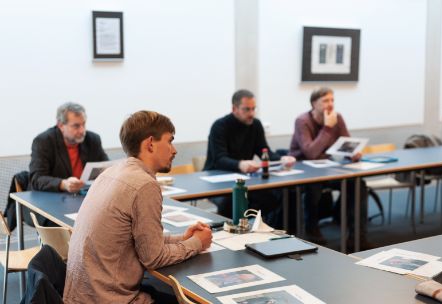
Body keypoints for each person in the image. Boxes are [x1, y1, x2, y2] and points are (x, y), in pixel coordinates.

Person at [64, 111, 213, 303]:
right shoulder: (144, 185)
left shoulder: (111, 172)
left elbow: (139, 241)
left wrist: (182, 238)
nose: (174, 150)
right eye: (169, 141)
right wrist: (197, 243)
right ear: (150, 143)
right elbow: (154, 258)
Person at [289, 87, 370, 249]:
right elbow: (311, 152)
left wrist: (353, 153)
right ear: (314, 103)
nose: (330, 104)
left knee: (358, 184)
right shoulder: (302, 121)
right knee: (313, 187)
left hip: (329, 167)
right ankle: (311, 231)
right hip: (305, 170)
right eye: (325, 100)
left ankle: (356, 237)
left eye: (332, 100)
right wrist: (327, 128)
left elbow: (346, 143)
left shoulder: (337, 118)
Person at [204, 89, 295, 228]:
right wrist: (240, 164)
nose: (251, 113)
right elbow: (219, 159)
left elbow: (265, 151)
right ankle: (230, 236)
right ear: (234, 108)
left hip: (243, 179)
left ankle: (268, 232)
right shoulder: (219, 126)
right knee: (231, 201)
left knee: (278, 194)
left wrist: (282, 159)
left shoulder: (255, 125)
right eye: (246, 109)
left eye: (253, 109)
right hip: (217, 179)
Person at [29, 102, 108, 193]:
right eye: (76, 126)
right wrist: (63, 184)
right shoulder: (43, 141)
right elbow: (36, 178)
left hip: (84, 196)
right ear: (61, 126)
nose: (82, 130)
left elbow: (106, 167)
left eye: (83, 124)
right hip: (53, 197)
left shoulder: (92, 139)